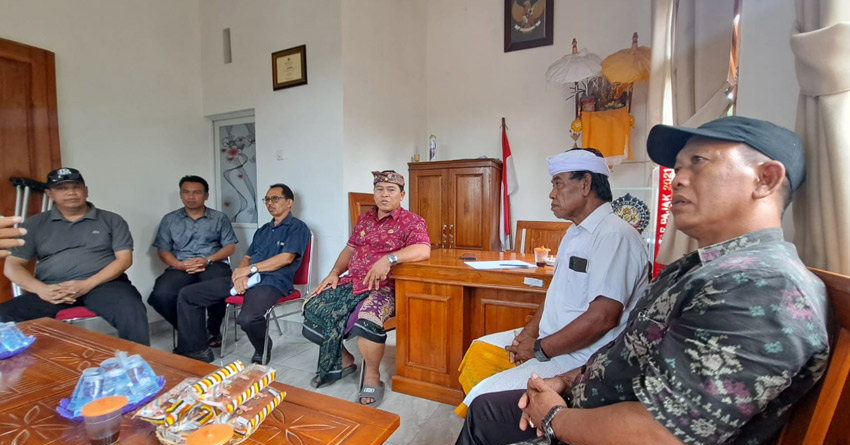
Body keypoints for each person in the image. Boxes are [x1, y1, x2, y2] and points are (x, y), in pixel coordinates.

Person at [422, 116, 829, 445]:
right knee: (485, 411)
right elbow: (627, 346)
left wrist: (553, 415)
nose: (678, 179)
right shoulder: (698, 266)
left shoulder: (759, 287)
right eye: (679, 167)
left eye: (699, 162)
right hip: (592, 398)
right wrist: (566, 380)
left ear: (765, 178)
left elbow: (665, 438)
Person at [455, 148, 649, 417]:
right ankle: (497, 429)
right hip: (550, 343)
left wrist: (538, 350)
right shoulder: (575, 232)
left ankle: (494, 429)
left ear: (585, 184)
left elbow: (603, 318)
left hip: (579, 357)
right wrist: (529, 333)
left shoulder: (615, 236)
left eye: (558, 183)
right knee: (479, 350)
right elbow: (555, 293)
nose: (551, 193)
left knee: (485, 399)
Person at [303, 170, 430, 406]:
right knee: (314, 304)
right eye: (379, 189)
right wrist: (333, 273)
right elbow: (350, 250)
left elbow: (423, 250)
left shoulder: (413, 221)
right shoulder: (364, 219)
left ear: (401, 195)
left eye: (391, 190)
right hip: (352, 281)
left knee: (367, 319)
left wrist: (389, 259)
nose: (384, 195)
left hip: (385, 288)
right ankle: (343, 360)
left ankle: (372, 374)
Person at [0, 168, 150, 345]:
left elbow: (124, 259)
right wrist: (42, 290)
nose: (71, 192)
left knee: (131, 308)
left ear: (85, 190)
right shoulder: (34, 224)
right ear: (50, 194)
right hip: (53, 289)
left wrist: (87, 284)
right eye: (62, 188)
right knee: (5, 314)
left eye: (76, 187)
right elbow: (12, 266)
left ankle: (141, 363)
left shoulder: (111, 220)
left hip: (103, 284)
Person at [173, 183, 309, 364]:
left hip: (272, 282)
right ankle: (196, 348)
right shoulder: (263, 231)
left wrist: (250, 270)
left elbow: (285, 258)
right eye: (267, 199)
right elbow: (246, 257)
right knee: (188, 294)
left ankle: (262, 347)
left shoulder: (297, 227)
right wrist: (241, 275)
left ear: (289, 202)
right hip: (247, 278)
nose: (270, 203)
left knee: (247, 318)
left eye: (275, 198)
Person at [148, 175, 237, 347]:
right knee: (161, 296)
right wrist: (178, 265)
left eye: (196, 192)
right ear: (181, 195)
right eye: (186, 192)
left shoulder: (219, 218)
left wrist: (207, 260)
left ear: (206, 196)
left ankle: (213, 330)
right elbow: (163, 250)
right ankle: (193, 332)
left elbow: (229, 247)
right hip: (180, 266)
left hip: (212, 263)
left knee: (221, 286)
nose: (191, 197)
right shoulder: (169, 219)